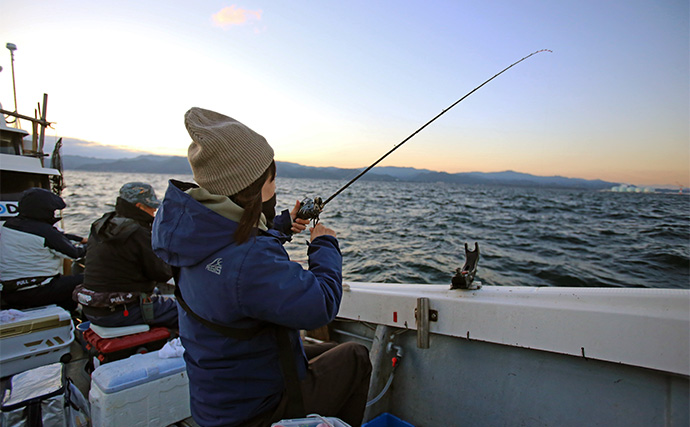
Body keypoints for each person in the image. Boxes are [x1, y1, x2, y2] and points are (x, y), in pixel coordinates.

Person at [151, 107, 372, 427]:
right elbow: (321, 305)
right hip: (256, 411)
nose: (275, 189)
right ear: (253, 187)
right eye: (272, 180)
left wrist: (282, 224)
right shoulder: (249, 260)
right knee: (354, 357)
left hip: (217, 399)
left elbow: (231, 248)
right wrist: (324, 245)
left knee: (328, 348)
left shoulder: (188, 234)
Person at [74, 182, 177, 329]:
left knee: (157, 292)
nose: (155, 211)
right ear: (139, 207)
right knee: (188, 312)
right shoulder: (137, 232)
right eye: (152, 207)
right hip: (119, 313)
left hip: (92, 308)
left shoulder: (101, 225)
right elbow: (163, 273)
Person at [0, 187, 86, 313]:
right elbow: (76, 254)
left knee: (64, 288)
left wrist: (81, 239)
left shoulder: (10, 224)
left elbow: (58, 237)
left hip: (9, 292)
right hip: (35, 291)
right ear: (43, 210)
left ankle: (67, 314)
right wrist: (95, 245)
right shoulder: (45, 233)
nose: (54, 213)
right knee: (89, 279)